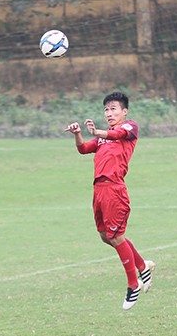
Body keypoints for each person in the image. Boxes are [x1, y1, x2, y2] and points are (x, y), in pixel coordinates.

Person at [64, 91, 155, 310]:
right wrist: (78, 134)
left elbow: (116, 135)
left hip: (114, 189)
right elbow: (84, 149)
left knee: (116, 237)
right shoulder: (103, 137)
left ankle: (133, 285)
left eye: (113, 109)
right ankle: (142, 266)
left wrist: (99, 131)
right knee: (106, 236)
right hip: (99, 190)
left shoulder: (129, 128)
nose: (109, 113)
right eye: (106, 109)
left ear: (124, 111)